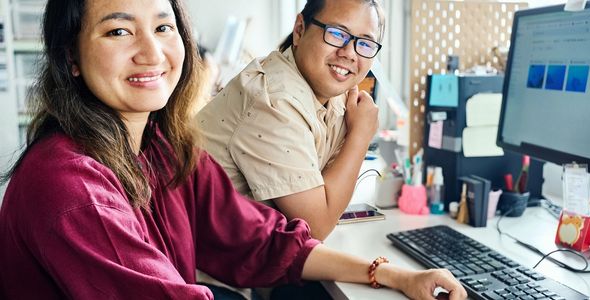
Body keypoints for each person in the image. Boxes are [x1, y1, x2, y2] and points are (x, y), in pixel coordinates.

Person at [0, 0, 467, 299]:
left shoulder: (160, 148)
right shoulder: (70, 188)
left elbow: (262, 241)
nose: (151, 52)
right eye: (119, 32)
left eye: (164, 28)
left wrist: (396, 276)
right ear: (71, 59)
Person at [196, 0, 381, 241]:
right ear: (299, 30)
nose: (349, 53)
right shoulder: (274, 99)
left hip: (251, 256)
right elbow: (315, 228)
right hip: (208, 270)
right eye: (337, 33)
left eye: (365, 44)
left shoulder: (333, 96)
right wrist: (360, 136)